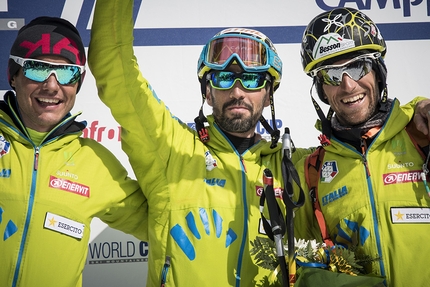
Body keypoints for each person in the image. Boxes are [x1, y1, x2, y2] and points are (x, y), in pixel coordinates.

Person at [88, 0, 317, 285]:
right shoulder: (172, 149)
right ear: (207, 93)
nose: (237, 91)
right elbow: (115, 71)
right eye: (223, 78)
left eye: (251, 79)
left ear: (269, 95)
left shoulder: (294, 167)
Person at [0, 16, 148, 287]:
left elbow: (163, 222)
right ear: (13, 75)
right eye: (37, 68)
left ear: (78, 83)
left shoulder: (94, 162)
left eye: (67, 73)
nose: (52, 85)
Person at [294, 7, 430, 286]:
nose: (347, 85)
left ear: (378, 71)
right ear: (321, 89)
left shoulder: (421, 133)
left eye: (357, 66)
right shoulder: (310, 172)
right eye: (332, 74)